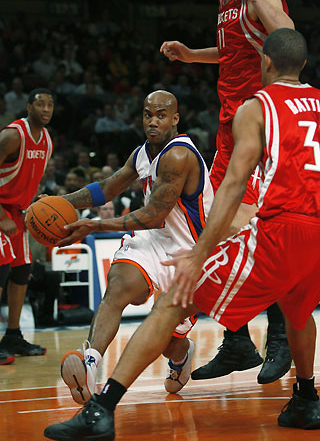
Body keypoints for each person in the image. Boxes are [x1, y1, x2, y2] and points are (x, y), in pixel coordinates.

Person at [45, 29, 320, 440]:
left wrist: (201, 251)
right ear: (301, 64)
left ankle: (101, 411)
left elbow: (232, 184)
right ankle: (305, 398)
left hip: (276, 228)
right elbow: (115, 185)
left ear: (264, 62)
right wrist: (67, 202)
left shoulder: (256, 108)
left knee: (172, 304)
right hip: (315, 234)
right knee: (299, 312)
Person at [160, 0, 294, 385]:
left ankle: (280, 339)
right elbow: (234, 52)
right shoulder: (226, 5)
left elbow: (286, 35)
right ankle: (237, 342)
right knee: (215, 229)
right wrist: (192, 55)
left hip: (256, 129)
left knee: (257, 229)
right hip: (226, 129)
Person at [46, 90, 213, 405]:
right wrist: (59, 203)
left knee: (166, 342)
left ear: (175, 119)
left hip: (189, 254)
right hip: (153, 241)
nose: (152, 121)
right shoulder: (142, 153)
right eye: (148, 114)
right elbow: (107, 188)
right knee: (119, 287)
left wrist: (93, 225)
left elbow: (153, 215)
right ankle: (90, 364)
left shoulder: (179, 155)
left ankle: (181, 355)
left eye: (161, 115)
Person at [0, 88, 54, 365]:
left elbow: (26, 180)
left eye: (50, 105)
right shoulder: (11, 135)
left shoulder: (46, 141)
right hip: (1, 209)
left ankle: (12, 335)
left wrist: (38, 201)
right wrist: (2, 216)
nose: (46, 108)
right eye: (40, 103)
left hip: (18, 212)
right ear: (28, 107)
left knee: (22, 271)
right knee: (2, 270)